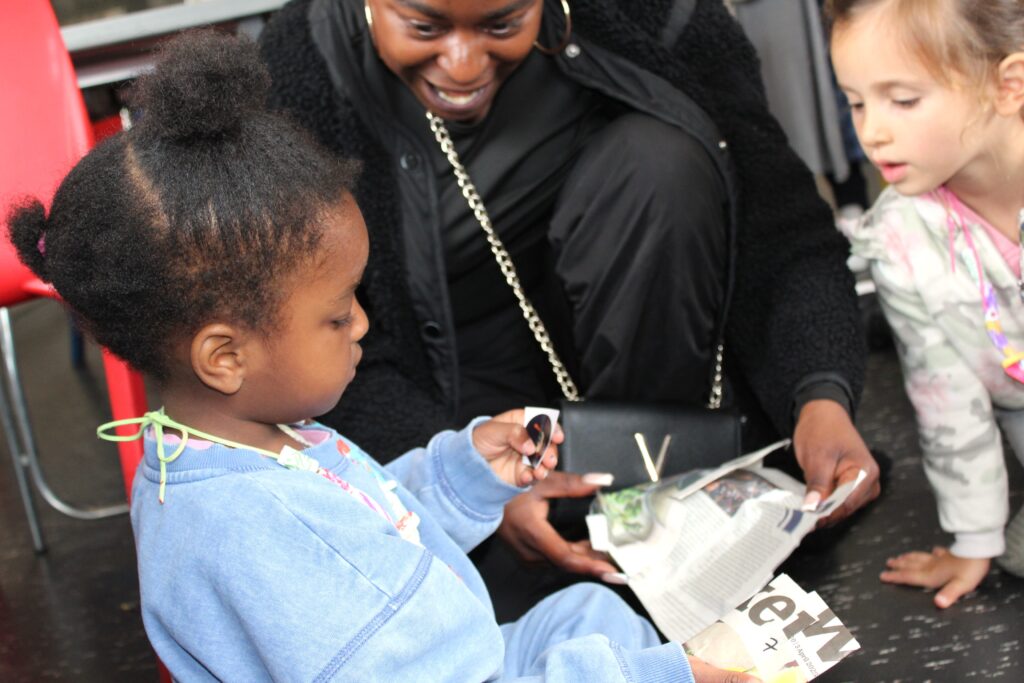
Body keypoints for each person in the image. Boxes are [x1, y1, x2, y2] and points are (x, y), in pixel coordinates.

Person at [7, 30, 760, 682]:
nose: (364, 325)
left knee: (586, 615)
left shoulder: (247, 441)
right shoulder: (244, 529)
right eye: (337, 315)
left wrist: (461, 475)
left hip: (449, 653)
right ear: (224, 356)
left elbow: (371, 525)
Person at [258, 0, 881, 592]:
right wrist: (467, 484)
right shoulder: (305, 64)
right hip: (453, 421)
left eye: (503, 24)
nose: (464, 64)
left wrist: (819, 393)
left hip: (667, 392)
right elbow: (305, 340)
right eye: (424, 27)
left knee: (660, 166)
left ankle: (658, 506)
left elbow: (780, 224)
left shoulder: (655, 15)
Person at [828, 0, 1024, 608]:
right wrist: (975, 540)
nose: (872, 132)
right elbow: (945, 396)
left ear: (1009, 87)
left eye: (904, 101)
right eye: (857, 102)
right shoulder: (899, 240)